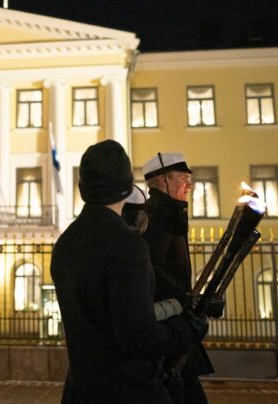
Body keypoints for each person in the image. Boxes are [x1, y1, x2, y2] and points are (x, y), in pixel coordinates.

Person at [50, 140, 209, 403]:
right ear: (126, 188)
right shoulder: (127, 244)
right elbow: (137, 336)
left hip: (81, 391)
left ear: (81, 189)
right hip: (129, 390)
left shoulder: (64, 245)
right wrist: (187, 328)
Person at [142, 153, 223, 403]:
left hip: (175, 322)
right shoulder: (159, 214)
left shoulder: (169, 211)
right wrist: (185, 298)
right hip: (168, 325)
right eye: (183, 178)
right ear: (163, 180)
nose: (189, 184)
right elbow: (152, 266)